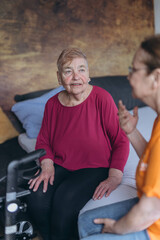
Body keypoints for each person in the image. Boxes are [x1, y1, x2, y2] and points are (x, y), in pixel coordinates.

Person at [26, 48, 129, 240]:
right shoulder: (52, 104)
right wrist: (47, 165)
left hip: (95, 166)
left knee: (65, 201)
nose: (76, 77)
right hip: (60, 165)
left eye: (81, 69)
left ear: (88, 74)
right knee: (36, 197)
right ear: (59, 77)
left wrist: (115, 176)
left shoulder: (102, 98)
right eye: (68, 71)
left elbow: (120, 140)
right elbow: (43, 140)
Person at [78, 34, 160, 240]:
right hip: (153, 210)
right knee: (86, 220)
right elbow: (152, 164)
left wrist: (116, 228)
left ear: (156, 78)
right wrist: (131, 132)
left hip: (155, 225)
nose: (129, 77)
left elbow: (150, 211)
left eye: (134, 70)